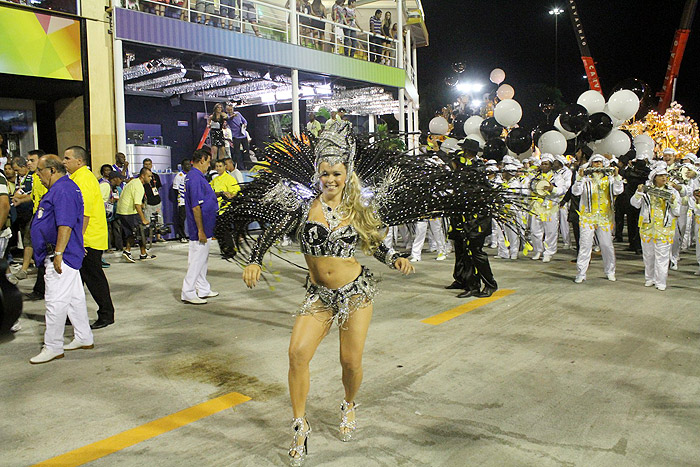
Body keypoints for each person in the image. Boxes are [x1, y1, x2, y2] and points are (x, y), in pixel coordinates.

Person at [29, 155, 94, 364]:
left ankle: (53, 346)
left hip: (60, 255)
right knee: (74, 299)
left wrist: (58, 253)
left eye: (40, 170)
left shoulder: (63, 189)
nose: (37, 175)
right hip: (64, 253)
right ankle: (84, 337)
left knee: (55, 301)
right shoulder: (64, 188)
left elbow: (65, 224)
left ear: (52, 170)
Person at [63, 146, 116, 330]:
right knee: (77, 280)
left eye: (67, 158)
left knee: (94, 278)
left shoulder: (83, 179)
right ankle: (72, 313)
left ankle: (106, 314)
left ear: (79, 161)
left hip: (88, 238)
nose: (64, 162)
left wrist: (77, 241)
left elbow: (83, 213)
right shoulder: (77, 178)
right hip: (85, 237)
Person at [571, 154, 624, 283]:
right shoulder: (586, 179)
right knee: (585, 245)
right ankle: (581, 273)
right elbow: (576, 192)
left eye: (600, 162)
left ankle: (610, 271)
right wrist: (579, 178)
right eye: (595, 163)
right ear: (591, 164)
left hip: (605, 217)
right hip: (588, 217)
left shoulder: (609, 179)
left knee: (606, 245)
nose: (598, 165)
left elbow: (618, 190)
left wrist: (617, 176)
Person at [630, 166, 681, 291]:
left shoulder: (672, 192)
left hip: (664, 229)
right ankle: (649, 278)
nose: (664, 178)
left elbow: (677, 211)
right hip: (648, 228)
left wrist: (673, 201)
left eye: (665, 175)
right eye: (661, 176)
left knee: (662, 256)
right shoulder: (647, 191)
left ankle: (661, 281)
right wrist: (639, 193)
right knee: (648, 255)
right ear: (654, 178)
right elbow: (634, 204)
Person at [181, 149, 219, 305]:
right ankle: (188, 291)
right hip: (200, 228)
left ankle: (202, 288)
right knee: (197, 260)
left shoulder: (197, 177)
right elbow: (196, 207)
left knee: (202, 259)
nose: (209, 165)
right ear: (202, 160)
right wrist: (201, 230)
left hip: (206, 226)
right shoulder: (195, 178)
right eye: (208, 162)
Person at [528, 154, 566, 263]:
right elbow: (529, 187)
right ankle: (538, 250)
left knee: (551, 231)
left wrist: (552, 189)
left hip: (550, 207)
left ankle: (549, 252)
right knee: (535, 231)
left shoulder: (557, 177)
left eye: (546, 164)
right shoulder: (535, 177)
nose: (544, 166)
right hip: (536, 206)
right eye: (542, 164)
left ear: (550, 165)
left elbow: (562, 190)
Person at [116, 168, 156, 262]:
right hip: (129, 212)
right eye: (149, 176)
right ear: (143, 176)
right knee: (140, 231)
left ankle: (142, 253)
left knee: (133, 232)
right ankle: (128, 251)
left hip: (122, 211)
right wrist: (143, 219)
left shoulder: (134, 182)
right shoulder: (138, 186)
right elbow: (137, 205)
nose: (150, 178)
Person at [142, 158, 165, 243]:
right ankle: (148, 238)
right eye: (146, 164)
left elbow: (158, 187)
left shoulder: (156, 176)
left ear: (151, 165)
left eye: (149, 164)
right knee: (147, 220)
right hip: (147, 202)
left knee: (159, 219)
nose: (147, 166)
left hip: (157, 201)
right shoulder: (141, 177)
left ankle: (159, 236)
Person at [225, 103, 249, 170]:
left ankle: (248, 166)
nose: (230, 111)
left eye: (231, 110)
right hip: (236, 137)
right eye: (228, 110)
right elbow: (229, 118)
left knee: (246, 151)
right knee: (237, 153)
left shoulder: (238, 113)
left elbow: (245, 121)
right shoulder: (227, 116)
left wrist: (244, 125)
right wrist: (232, 115)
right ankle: (241, 167)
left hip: (243, 135)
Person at [173, 159, 191, 242]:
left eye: (189, 164)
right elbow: (175, 189)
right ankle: (182, 236)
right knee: (182, 219)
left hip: (191, 200)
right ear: (183, 166)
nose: (188, 166)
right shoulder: (179, 176)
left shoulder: (192, 175)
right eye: (186, 164)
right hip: (182, 201)